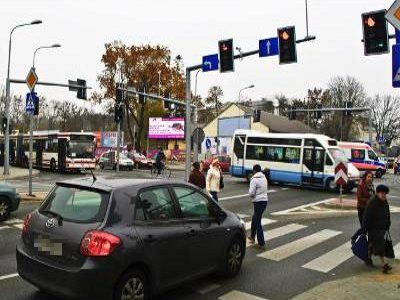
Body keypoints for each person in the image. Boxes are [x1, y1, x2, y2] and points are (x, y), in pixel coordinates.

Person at [362, 184, 392, 273]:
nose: (383, 195)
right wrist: (365, 229)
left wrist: (388, 223)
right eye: (382, 193)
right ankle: (384, 265)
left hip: (382, 228)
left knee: (372, 244)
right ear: (378, 193)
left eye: (385, 193)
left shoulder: (385, 201)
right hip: (373, 228)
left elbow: (388, 213)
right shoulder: (372, 202)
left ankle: (368, 257)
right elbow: (366, 217)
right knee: (380, 246)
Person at [247, 164, 269, 249]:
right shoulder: (264, 178)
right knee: (255, 218)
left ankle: (261, 242)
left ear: (254, 171)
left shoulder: (254, 179)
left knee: (257, 221)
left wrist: (251, 195)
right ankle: (252, 237)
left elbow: (251, 193)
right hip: (264, 201)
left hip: (258, 202)